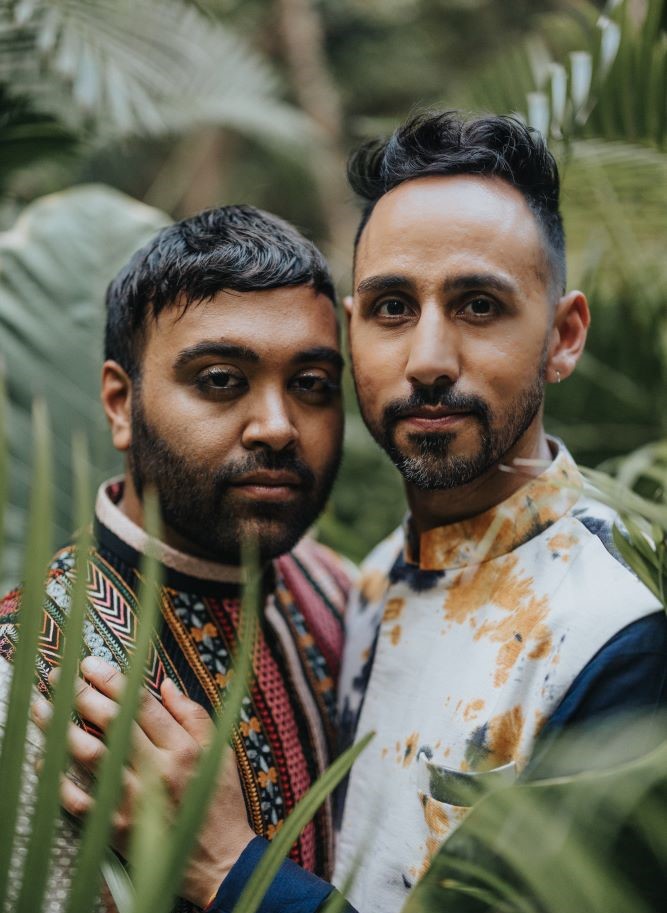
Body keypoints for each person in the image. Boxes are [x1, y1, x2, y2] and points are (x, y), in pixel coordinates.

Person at [37, 113, 667, 913]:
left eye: (478, 305)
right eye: (392, 307)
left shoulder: (620, 630)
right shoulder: (358, 587)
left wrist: (233, 870)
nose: (429, 360)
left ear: (562, 335)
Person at [0, 204, 354, 912]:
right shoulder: (27, 680)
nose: (278, 427)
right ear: (120, 403)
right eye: (221, 379)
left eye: (311, 383)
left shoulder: (338, 592)